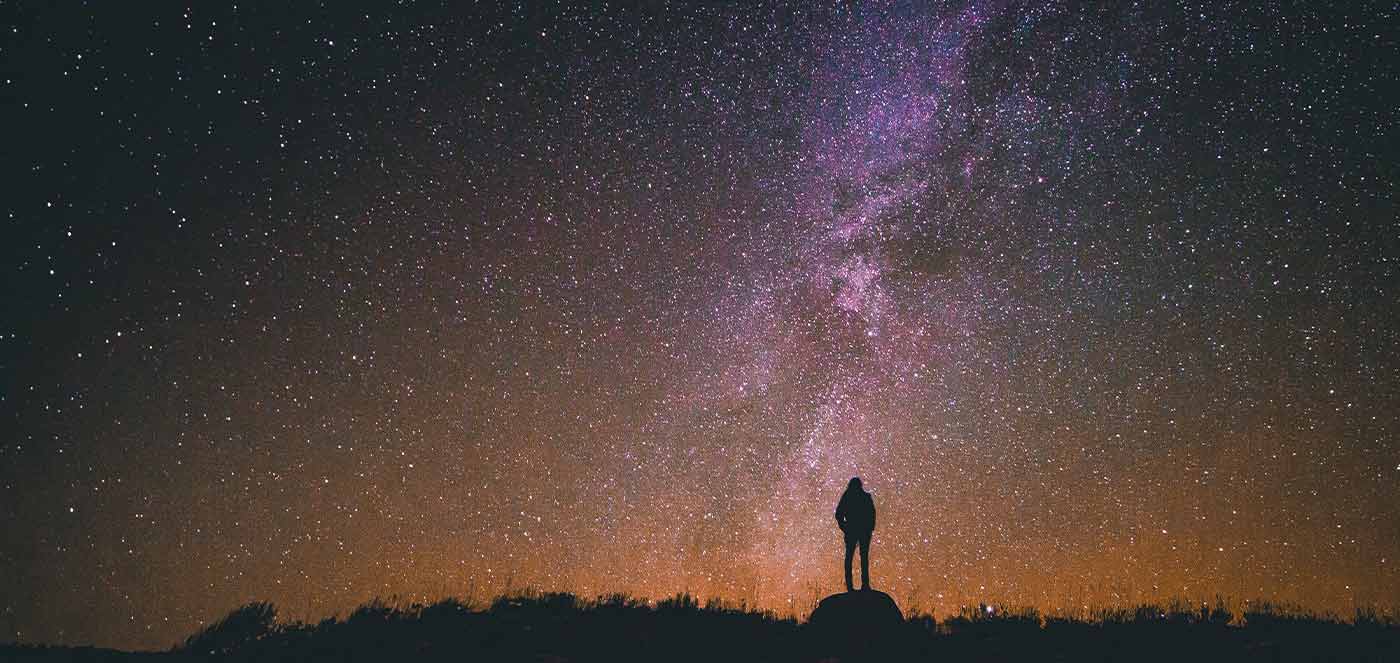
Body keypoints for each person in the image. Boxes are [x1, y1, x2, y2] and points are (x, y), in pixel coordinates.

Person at [834, 476, 876, 592]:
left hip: (855, 530)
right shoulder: (864, 497)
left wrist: (845, 527)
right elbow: (872, 514)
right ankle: (864, 585)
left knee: (851, 558)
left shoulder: (848, 497)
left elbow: (838, 514)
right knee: (862, 558)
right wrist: (868, 529)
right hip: (861, 531)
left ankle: (851, 587)